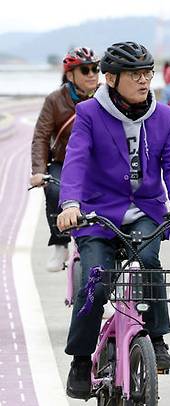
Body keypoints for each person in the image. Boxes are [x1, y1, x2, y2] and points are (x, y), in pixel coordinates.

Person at [56, 41, 170, 399]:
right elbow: (75, 160)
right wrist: (70, 203)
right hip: (97, 213)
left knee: (149, 261)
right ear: (111, 78)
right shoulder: (89, 113)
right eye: (136, 74)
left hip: (146, 209)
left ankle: (158, 338)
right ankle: (81, 360)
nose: (145, 80)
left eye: (148, 73)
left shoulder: (165, 115)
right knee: (95, 282)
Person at [30, 47, 100, 272]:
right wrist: (38, 171)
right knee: (53, 189)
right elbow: (41, 136)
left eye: (96, 69)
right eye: (85, 70)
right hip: (64, 162)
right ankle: (60, 242)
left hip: (99, 163)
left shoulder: (107, 96)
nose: (92, 74)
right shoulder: (54, 100)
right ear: (70, 75)